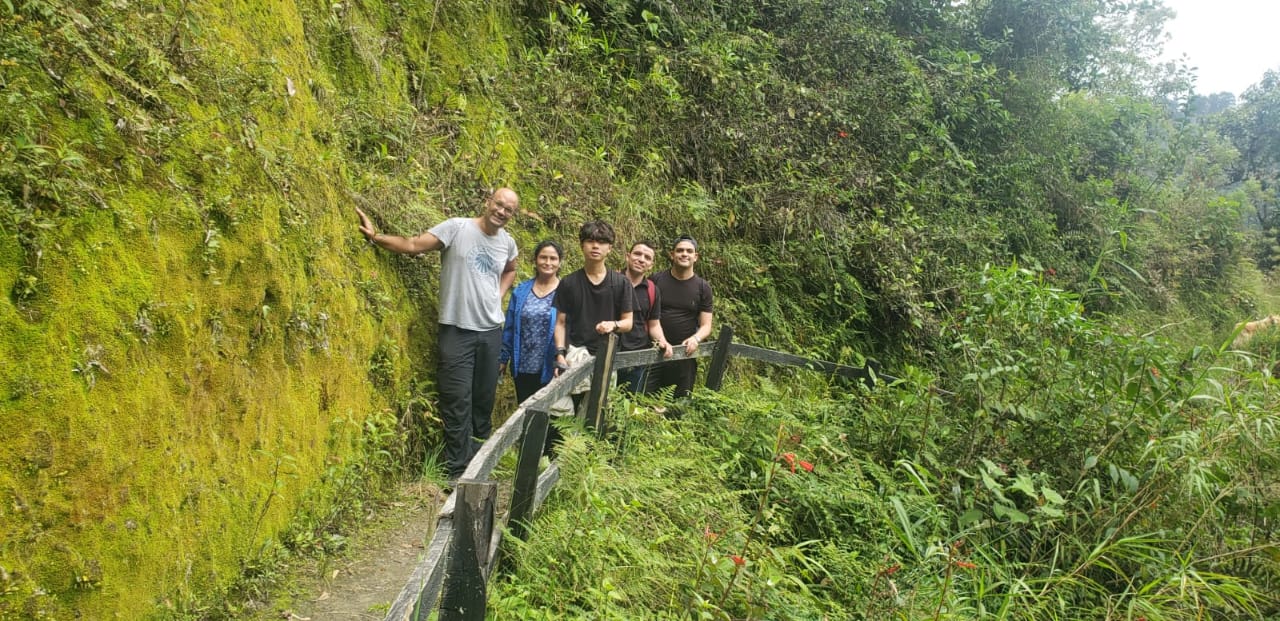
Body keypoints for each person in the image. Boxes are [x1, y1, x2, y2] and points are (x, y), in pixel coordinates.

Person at [355, 188, 519, 483]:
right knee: (457, 401)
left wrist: (499, 294)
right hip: (457, 330)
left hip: (491, 331)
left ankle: (479, 467)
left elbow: (510, 269)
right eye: (499, 205)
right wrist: (375, 237)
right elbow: (414, 244)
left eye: (509, 209)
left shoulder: (507, 243)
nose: (502, 212)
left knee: (483, 401)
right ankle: (458, 472)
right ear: (488, 203)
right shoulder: (457, 228)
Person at [552, 221, 633, 413]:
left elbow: (628, 322)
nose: (595, 246)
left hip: (606, 357)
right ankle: (566, 443)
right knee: (558, 407)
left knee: (596, 413)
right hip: (574, 354)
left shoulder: (621, 283)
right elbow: (560, 323)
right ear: (582, 245)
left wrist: (613, 325)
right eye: (590, 241)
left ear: (609, 248)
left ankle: (583, 443)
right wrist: (560, 355)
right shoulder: (569, 283)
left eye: (602, 242)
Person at [649, 235, 713, 400]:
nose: (684, 254)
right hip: (654, 351)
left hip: (685, 355)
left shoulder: (703, 287)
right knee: (648, 403)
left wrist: (696, 339)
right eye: (680, 250)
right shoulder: (656, 280)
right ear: (672, 254)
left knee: (678, 406)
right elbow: (645, 314)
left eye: (689, 251)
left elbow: (706, 325)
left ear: (695, 257)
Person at [499, 240, 563, 404]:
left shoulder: (566, 292)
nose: (548, 262)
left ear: (559, 262)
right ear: (535, 260)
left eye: (553, 258)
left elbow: (570, 329)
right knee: (525, 412)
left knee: (549, 416)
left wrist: (562, 357)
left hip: (552, 366)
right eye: (543, 257)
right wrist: (503, 358)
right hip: (523, 366)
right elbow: (510, 328)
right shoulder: (521, 291)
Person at [617, 241, 673, 393]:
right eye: (637, 254)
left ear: (651, 265)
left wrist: (663, 341)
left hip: (637, 357)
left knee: (628, 402)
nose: (641, 259)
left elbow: (653, 324)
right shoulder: (611, 281)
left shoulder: (652, 290)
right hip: (609, 352)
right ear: (627, 256)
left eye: (647, 257)